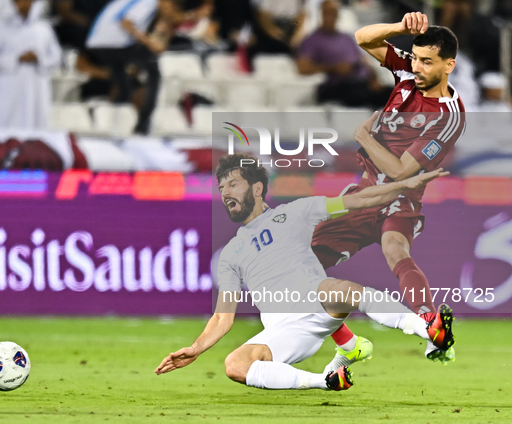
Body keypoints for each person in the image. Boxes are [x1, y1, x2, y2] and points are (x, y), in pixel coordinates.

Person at [155, 154, 454, 391]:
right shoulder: (231, 253)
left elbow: (361, 200)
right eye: (221, 187)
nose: (224, 192)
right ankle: (324, 380)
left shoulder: (295, 212)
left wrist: (406, 185)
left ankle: (428, 329)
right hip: (285, 329)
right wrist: (196, 348)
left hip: (319, 299)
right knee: (234, 365)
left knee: (344, 290)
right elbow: (223, 317)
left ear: (257, 188)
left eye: (232, 184)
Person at [311, 12, 465, 366]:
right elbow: (363, 38)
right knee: (303, 266)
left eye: (428, 62)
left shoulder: (448, 117)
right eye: (416, 58)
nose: (419, 67)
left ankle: (430, 324)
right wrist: (399, 28)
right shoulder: (408, 74)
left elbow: (400, 172)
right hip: (363, 192)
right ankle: (350, 345)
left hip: (399, 195)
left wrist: (363, 136)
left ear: (449, 65)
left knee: (395, 248)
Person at [86, 0, 170, 135]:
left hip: (96, 43)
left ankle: (119, 109)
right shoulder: (149, 2)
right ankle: (144, 123)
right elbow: (126, 22)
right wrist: (150, 43)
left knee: (121, 73)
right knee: (153, 70)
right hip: (114, 45)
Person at [295, 0, 392, 108]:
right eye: (327, 12)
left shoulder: (347, 38)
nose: (330, 16)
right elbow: (302, 67)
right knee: (358, 94)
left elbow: (363, 61)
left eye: (333, 13)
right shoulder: (312, 40)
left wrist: (374, 79)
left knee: (397, 93)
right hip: (336, 85)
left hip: (361, 83)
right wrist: (334, 68)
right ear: (321, 13)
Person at [0, 0, 62, 129]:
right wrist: (16, 59)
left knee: (36, 125)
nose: (20, 4)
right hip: (10, 87)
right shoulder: (2, 29)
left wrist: (39, 58)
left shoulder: (44, 29)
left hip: (37, 86)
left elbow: (56, 58)